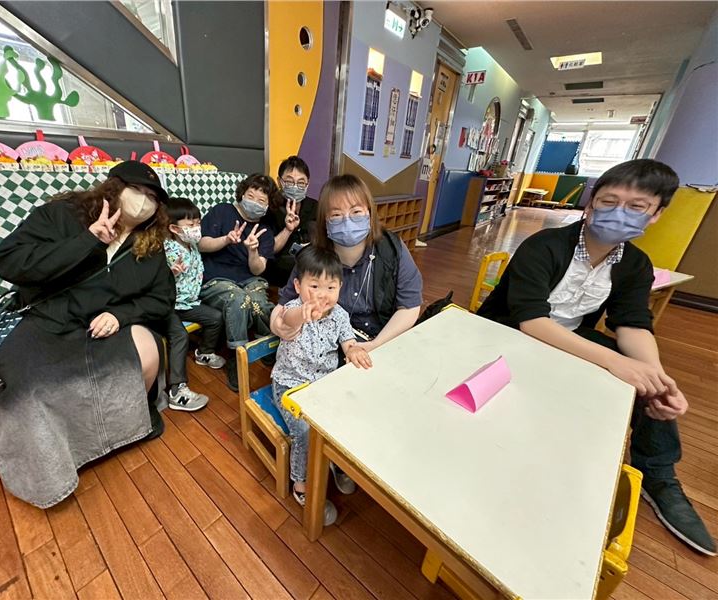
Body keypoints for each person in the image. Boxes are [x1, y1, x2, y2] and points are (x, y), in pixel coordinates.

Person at [478, 159, 715, 556]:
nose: (620, 213)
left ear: (656, 214)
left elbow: (633, 324)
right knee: (619, 364)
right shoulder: (544, 246)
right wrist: (614, 362)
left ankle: (658, 474)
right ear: (590, 205)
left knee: (647, 380)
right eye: (609, 201)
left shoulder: (635, 265)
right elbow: (531, 320)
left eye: (637, 206)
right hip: (508, 333)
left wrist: (657, 379)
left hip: (569, 337)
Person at [0, 160, 175, 509]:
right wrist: (87, 240)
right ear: (113, 187)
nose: (143, 201)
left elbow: (163, 298)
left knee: (147, 351)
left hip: (101, 326)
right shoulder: (63, 214)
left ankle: (125, 431)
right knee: (32, 390)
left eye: (152, 197)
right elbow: (9, 262)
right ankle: (52, 467)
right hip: (45, 322)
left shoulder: (150, 245)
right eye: (136, 190)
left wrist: (120, 315)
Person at [270, 245, 372, 525]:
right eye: (314, 286)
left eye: (330, 287)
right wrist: (303, 314)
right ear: (298, 286)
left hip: (324, 386)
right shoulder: (294, 309)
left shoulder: (340, 315)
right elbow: (287, 320)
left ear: (340, 288)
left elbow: (347, 341)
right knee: (304, 431)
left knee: (346, 417)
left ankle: (337, 464)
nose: (322, 294)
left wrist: (353, 350)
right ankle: (301, 483)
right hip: (290, 387)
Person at [272, 174, 424, 355]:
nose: (347, 220)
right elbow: (283, 304)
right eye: (336, 214)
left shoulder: (392, 249)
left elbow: (409, 306)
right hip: (328, 348)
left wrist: (375, 345)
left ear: (369, 213)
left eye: (356, 212)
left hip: (382, 341)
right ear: (325, 220)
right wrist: (276, 325)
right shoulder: (313, 257)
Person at [198, 173, 278, 391]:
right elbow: (201, 244)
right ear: (242, 193)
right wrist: (225, 239)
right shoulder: (222, 211)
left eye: (261, 200)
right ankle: (237, 356)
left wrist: (252, 251)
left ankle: (267, 346)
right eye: (251, 196)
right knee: (238, 299)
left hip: (250, 278)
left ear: (268, 205)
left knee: (261, 304)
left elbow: (258, 269)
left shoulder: (265, 231)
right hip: (216, 279)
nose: (255, 202)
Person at [163, 197, 226, 412]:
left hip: (188, 303)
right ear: (174, 228)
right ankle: (176, 390)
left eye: (198, 223)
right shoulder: (167, 249)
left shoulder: (192, 246)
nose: (196, 228)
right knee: (180, 335)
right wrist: (170, 273)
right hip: (169, 306)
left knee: (216, 317)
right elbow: (153, 280)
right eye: (190, 225)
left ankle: (204, 353)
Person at [264, 156, 319, 287]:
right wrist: (287, 230)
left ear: (307, 184)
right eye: (289, 181)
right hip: (277, 274)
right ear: (279, 182)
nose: (295, 186)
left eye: (301, 183)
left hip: (310, 271)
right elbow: (268, 249)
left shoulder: (315, 207)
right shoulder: (269, 208)